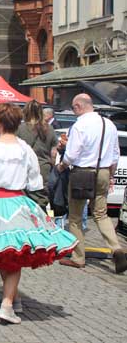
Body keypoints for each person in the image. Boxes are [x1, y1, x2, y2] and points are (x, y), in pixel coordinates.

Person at [0, 103, 78, 324]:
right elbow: (34, 183)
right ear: (17, 123)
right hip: (16, 202)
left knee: (5, 253)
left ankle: (10, 300)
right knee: (12, 254)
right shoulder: (24, 149)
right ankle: (9, 301)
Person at [56, 94, 127, 274]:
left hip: (82, 173)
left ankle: (78, 258)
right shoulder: (108, 124)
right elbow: (115, 154)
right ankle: (116, 249)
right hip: (103, 171)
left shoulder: (79, 125)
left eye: (73, 108)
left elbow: (72, 154)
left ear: (78, 106)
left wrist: (62, 166)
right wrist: (110, 174)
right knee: (101, 214)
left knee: (75, 218)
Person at [17, 100, 58, 210]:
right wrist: (52, 164)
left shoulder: (20, 128)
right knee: (40, 200)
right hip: (43, 167)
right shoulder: (49, 128)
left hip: (24, 167)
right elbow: (54, 151)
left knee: (25, 201)